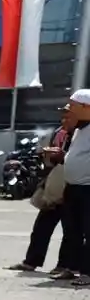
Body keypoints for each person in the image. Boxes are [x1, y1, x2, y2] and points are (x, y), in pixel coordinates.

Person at [8, 107, 76, 277]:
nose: (64, 120)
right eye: (63, 116)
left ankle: (64, 266)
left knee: (70, 231)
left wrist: (63, 156)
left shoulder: (80, 135)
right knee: (41, 228)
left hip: (72, 188)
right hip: (54, 187)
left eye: (68, 116)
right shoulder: (59, 133)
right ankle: (31, 261)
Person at [59, 89, 90, 286]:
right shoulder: (79, 129)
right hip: (73, 188)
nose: (69, 109)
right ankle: (71, 268)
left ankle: (87, 273)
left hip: (88, 189)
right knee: (72, 231)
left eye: (73, 105)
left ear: (86, 107)